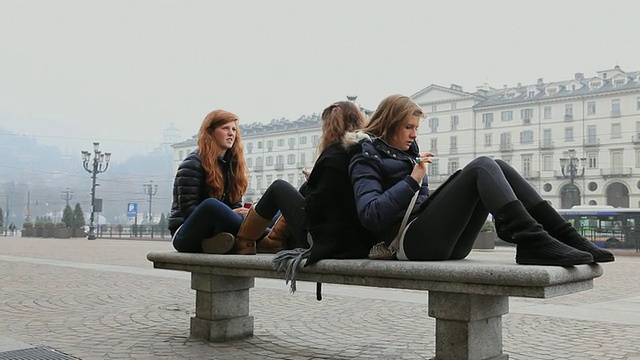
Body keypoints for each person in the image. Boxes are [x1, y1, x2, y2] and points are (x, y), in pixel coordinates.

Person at [347, 94, 614, 266]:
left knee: (497, 166)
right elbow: (370, 215)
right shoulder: (366, 156)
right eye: (408, 127)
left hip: (444, 243)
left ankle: (565, 236)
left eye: (416, 128)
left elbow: (424, 206)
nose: (414, 134)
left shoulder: (408, 154)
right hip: (408, 243)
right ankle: (533, 240)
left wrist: (423, 184)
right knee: (482, 166)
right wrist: (412, 180)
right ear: (389, 123)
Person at [236, 101, 376, 264]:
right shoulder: (360, 151)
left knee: (278, 187)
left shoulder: (334, 155)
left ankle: (244, 241)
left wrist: (313, 185)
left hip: (328, 240)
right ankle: (273, 240)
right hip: (354, 240)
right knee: (304, 187)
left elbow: (315, 208)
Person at [168, 109, 278, 254]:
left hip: (219, 229)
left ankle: (221, 242)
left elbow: (235, 206)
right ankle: (270, 239)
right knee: (211, 205)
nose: (231, 133)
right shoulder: (192, 164)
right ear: (211, 132)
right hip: (186, 233)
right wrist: (229, 213)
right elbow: (189, 211)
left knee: (274, 211)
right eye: (225, 128)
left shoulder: (232, 166)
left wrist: (242, 214)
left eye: (234, 129)